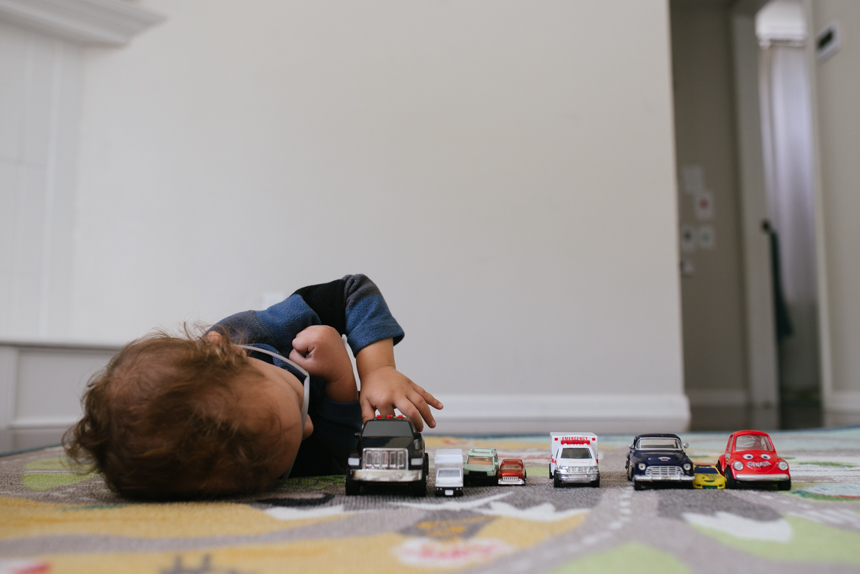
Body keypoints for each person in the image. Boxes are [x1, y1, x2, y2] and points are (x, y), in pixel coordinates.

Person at [64, 274, 442, 500]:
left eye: (297, 404)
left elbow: (353, 291)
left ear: (228, 352)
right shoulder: (251, 458)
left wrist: (376, 371)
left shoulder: (252, 332)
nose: (308, 426)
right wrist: (342, 382)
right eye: (279, 472)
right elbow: (337, 455)